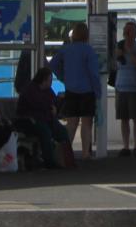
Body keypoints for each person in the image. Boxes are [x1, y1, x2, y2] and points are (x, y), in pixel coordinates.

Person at [50, 23, 99, 159]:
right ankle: (85, 153)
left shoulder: (66, 50)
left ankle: (67, 153)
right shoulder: (89, 50)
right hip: (87, 90)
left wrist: (63, 77)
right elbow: (94, 73)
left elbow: (53, 64)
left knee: (71, 123)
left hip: (70, 89)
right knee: (87, 122)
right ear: (86, 35)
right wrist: (98, 91)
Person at [16, 66, 70, 168]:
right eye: (50, 80)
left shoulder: (48, 90)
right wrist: (51, 109)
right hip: (29, 121)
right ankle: (49, 161)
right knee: (45, 132)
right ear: (43, 80)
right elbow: (39, 106)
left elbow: (52, 102)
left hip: (46, 119)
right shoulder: (30, 90)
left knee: (62, 131)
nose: (51, 83)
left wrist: (56, 107)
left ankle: (66, 158)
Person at [114, 21, 136, 157]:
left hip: (135, 87)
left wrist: (129, 51)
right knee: (124, 118)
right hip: (121, 86)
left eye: (130, 31)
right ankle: (126, 146)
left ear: (135, 33)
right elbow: (113, 62)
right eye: (125, 31)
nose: (127, 34)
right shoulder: (119, 45)